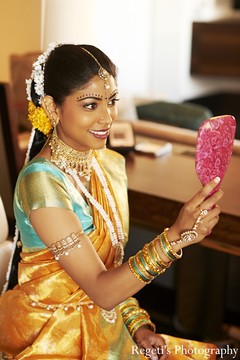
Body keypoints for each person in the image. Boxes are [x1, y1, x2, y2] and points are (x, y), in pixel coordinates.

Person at [0, 43, 223, 360]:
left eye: (113, 101)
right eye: (90, 105)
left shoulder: (106, 167)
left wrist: (139, 326)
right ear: (52, 107)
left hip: (107, 323)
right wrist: (175, 237)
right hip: (53, 336)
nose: (108, 117)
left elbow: (111, 272)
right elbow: (102, 289)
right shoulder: (42, 182)